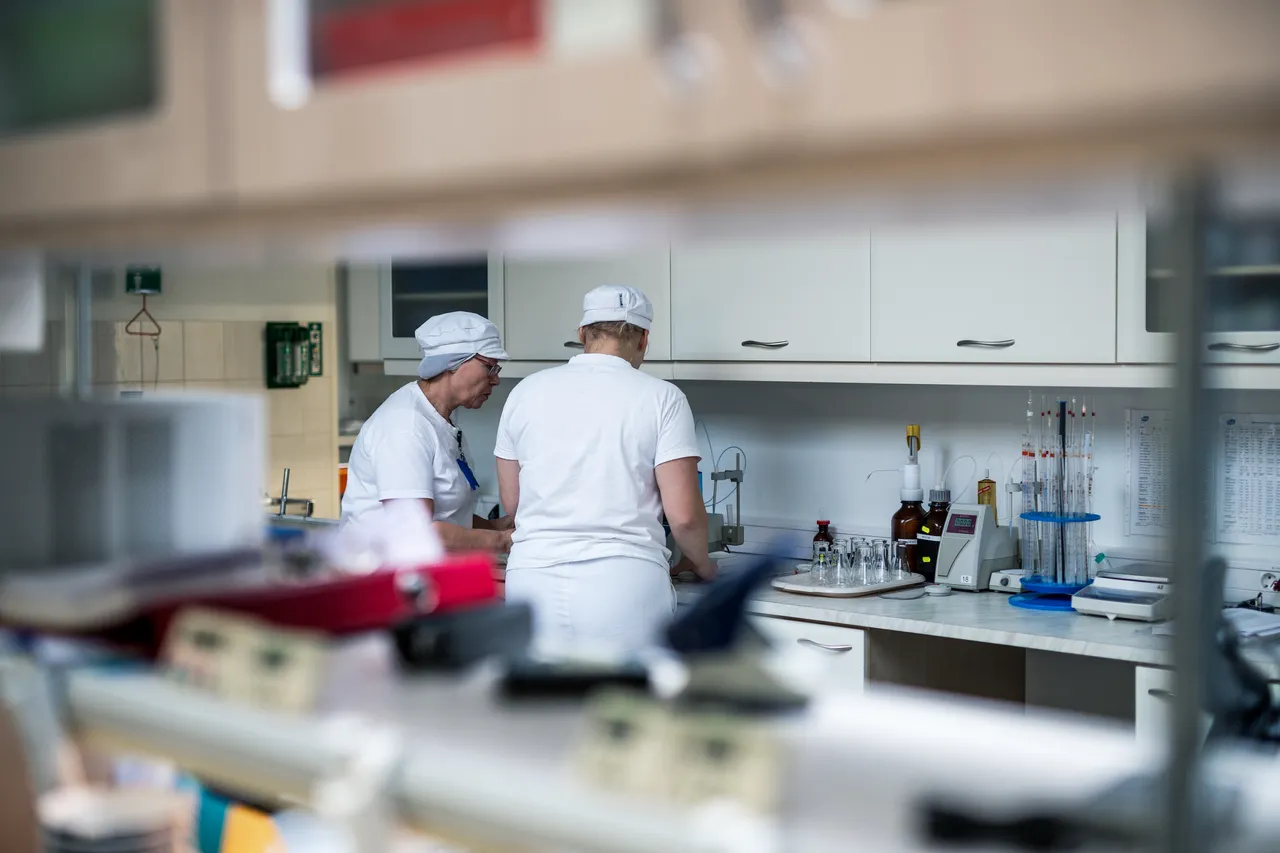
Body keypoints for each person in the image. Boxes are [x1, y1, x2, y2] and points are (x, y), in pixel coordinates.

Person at [495, 284, 714, 654]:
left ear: (582, 334)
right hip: (623, 586)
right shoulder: (663, 398)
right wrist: (704, 565)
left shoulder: (525, 392)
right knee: (622, 705)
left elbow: (513, 504)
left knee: (538, 707)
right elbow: (685, 520)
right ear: (644, 339)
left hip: (532, 583)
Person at [341, 312, 513, 552]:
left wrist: (497, 526)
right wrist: (503, 541)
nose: (495, 380)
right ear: (453, 363)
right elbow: (415, 530)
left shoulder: (438, 420)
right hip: (384, 578)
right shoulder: (405, 426)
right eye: (489, 367)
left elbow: (447, 515)